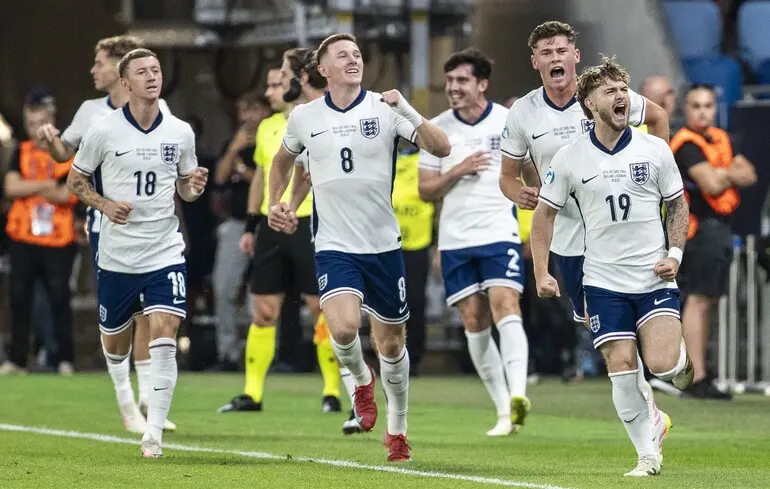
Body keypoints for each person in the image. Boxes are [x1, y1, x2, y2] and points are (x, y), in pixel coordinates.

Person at [266, 33, 450, 462]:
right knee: (345, 329)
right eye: (342, 55)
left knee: (392, 345)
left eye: (357, 54)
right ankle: (361, 380)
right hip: (334, 244)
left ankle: (397, 431)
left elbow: (442, 147)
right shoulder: (305, 116)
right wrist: (277, 202)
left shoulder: (384, 109)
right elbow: (282, 161)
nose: (353, 60)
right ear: (323, 69)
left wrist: (407, 108)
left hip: (383, 246)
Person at [499, 20, 672, 452]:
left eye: (562, 50)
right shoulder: (523, 112)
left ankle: (653, 406)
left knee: (623, 334)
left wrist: (657, 174)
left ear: (575, 56)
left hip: (621, 235)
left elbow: (658, 117)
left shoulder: (603, 94)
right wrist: (518, 192)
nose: (555, 58)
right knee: (602, 333)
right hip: (569, 240)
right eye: (547, 52)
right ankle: (652, 410)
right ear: (535, 62)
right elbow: (507, 175)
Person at [530, 57, 694, 477]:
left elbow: (678, 205)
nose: (622, 96)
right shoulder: (569, 158)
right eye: (610, 91)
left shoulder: (654, 149)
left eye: (624, 89)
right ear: (589, 103)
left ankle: (678, 363)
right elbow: (544, 215)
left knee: (660, 365)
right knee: (620, 367)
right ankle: (647, 455)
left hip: (652, 277)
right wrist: (542, 271)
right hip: (602, 280)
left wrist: (675, 254)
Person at [67, 48, 208, 458]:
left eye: (156, 70)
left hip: (164, 251)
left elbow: (185, 188)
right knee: (115, 342)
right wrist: (104, 204)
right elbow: (76, 181)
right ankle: (126, 400)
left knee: (165, 331)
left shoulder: (180, 131)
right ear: (125, 83)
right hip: (118, 255)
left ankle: (154, 434)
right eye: (142, 72)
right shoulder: (103, 130)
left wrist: (193, 188)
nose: (152, 76)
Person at [35, 35, 177, 433]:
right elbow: (66, 157)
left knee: (152, 310)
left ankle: (147, 397)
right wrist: (52, 143)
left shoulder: (161, 110)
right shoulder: (91, 112)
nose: (93, 69)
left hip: (152, 229)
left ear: (118, 66)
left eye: (99, 62)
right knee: (121, 314)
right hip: (106, 225)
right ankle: (125, 401)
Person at [418, 48, 530, 436]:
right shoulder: (436, 129)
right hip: (455, 238)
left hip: (499, 232)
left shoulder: (507, 121)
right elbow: (425, 190)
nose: (453, 87)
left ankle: (519, 395)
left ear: (482, 84)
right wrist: (458, 170)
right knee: (473, 320)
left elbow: (529, 169)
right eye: (450, 80)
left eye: (462, 80)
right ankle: (503, 412)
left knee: (506, 304)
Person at [218, 49, 336, 414]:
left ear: (299, 80)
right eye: (269, 84)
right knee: (264, 310)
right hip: (272, 224)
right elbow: (261, 177)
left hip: (311, 222)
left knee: (320, 309)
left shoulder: (323, 118)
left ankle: (332, 392)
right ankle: (252, 393)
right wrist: (253, 224)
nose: (270, 91)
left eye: (278, 82)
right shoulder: (269, 127)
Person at [670, 84, 756, 399]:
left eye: (708, 105)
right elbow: (712, 184)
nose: (703, 112)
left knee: (709, 300)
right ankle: (694, 377)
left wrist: (722, 172)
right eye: (696, 106)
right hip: (699, 230)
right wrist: (728, 171)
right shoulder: (686, 144)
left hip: (720, 228)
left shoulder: (721, 138)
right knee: (698, 299)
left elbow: (750, 174)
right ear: (686, 109)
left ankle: (700, 373)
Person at [0, 91, 79, 376]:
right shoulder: (20, 151)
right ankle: (18, 360)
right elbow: (11, 187)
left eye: (39, 123)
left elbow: (67, 194)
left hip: (59, 238)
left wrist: (30, 185)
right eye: (30, 124)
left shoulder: (66, 153)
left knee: (59, 298)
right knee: (19, 298)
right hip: (22, 236)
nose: (34, 130)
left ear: (52, 121)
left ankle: (65, 359)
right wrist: (46, 185)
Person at [211, 91, 272, 371]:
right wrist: (233, 150)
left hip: (267, 223)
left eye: (253, 110)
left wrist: (245, 172)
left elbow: (270, 180)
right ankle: (227, 353)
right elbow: (219, 178)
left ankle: (262, 355)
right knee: (223, 287)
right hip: (237, 224)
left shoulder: (274, 137)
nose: (247, 117)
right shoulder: (234, 142)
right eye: (243, 111)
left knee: (261, 293)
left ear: (265, 111)